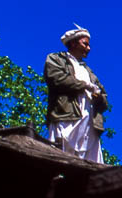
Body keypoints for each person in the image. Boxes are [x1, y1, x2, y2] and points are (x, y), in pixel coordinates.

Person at [44, 26, 108, 162]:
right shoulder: (56, 59)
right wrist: (85, 85)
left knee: (89, 158)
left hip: (89, 122)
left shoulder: (89, 72)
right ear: (73, 43)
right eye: (85, 44)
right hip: (66, 115)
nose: (88, 48)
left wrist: (99, 97)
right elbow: (56, 79)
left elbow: (104, 98)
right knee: (61, 153)